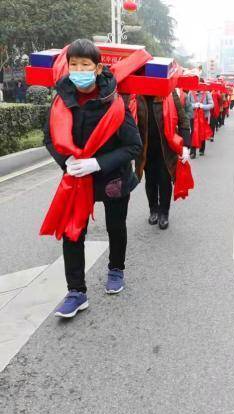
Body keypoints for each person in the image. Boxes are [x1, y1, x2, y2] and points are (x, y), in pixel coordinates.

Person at [43, 39, 142, 318]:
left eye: (84, 64)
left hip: (112, 177)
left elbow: (133, 146)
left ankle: (116, 269)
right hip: (77, 178)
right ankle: (76, 291)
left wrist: (96, 163)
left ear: (98, 68)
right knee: (72, 231)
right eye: (73, 64)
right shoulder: (61, 100)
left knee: (115, 225)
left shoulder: (114, 101)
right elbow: (49, 137)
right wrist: (68, 161)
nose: (78, 70)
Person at [135, 90, 191, 230]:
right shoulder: (136, 95)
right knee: (150, 181)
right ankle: (153, 210)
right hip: (146, 148)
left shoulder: (170, 94)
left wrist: (186, 146)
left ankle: (164, 213)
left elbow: (183, 119)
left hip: (166, 148)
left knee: (165, 181)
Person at [187, 84, 213, 156]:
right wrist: (194, 105)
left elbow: (211, 105)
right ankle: (193, 151)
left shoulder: (207, 93)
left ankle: (202, 149)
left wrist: (203, 106)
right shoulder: (190, 92)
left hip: (203, 116)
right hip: (193, 116)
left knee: (202, 132)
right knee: (193, 132)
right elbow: (187, 104)